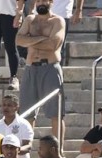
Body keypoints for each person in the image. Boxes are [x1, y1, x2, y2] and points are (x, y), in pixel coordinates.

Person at [16, 0, 66, 141]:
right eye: (38, 0)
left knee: (56, 113)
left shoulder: (58, 21)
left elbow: (53, 44)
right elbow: (19, 40)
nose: (41, 3)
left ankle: (58, 150)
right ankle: (26, 149)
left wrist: (30, 39)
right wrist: (42, 38)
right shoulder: (30, 19)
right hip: (31, 68)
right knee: (27, 113)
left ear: (51, 2)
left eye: (45, 0)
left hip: (50, 68)